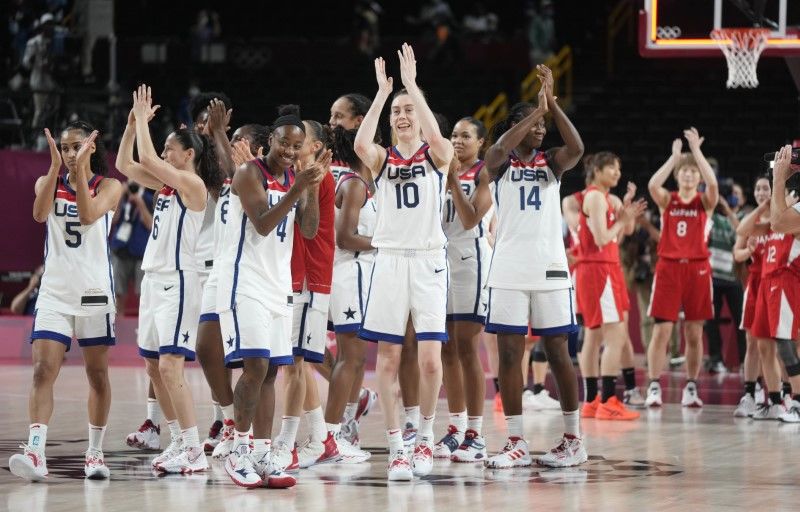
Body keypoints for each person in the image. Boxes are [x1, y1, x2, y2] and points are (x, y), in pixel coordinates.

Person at [354, 44, 453, 480]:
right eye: (398, 111)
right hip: (390, 261)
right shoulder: (382, 158)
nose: (403, 116)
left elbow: (437, 139)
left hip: (429, 262)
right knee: (388, 360)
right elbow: (361, 142)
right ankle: (396, 446)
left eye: (409, 110)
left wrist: (412, 86)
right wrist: (382, 95)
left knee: (431, 361)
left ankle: (425, 436)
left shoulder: (437, 154)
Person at [216, 106, 328, 488]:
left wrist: (310, 187)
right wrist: (297, 188)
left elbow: (310, 230)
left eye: (297, 146)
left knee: (272, 372)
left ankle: (263, 453)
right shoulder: (250, 174)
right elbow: (263, 224)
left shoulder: (297, 177)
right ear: (271, 141)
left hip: (278, 284)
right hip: (243, 281)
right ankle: (239, 451)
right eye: (285, 143)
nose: (290, 151)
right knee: (256, 367)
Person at [483, 64, 587, 469]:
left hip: (550, 269)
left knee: (559, 353)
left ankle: (573, 439)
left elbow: (576, 148)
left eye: (543, 127)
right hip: (508, 269)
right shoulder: (501, 164)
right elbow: (494, 152)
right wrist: (533, 113)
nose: (541, 131)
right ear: (517, 126)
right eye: (535, 126)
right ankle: (516, 441)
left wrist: (553, 106)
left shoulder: (552, 164)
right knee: (510, 356)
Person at [8, 122, 122, 481]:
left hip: (93, 293)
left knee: (97, 375)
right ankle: (36, 451)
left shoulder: (109, 186)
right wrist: (56, 168)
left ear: (91, 146)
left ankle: (94, 453)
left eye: (77, 147)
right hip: (55, 293)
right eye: (65, 148)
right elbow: (39, 215)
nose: (70, 153)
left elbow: (88, 216)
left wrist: (82, 172)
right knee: (43, 370)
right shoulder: (48, 182)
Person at [116, 85, 220, 474]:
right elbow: (127, 163)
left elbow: (145, 157)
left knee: (171, 366)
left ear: (188, 154)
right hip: (154, 277)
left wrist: (144, 121)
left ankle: (194, 450)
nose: (162, 155)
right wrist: (130, 125)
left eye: (169, 149)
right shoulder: (165, 182)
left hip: (178, 280)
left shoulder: (192, 186)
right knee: (153, 365)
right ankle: (178, 440)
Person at [644, 129, 718, 408]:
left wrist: (696, 153)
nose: (688, 175)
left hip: (698, 269)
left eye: (692, 172)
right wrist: (674, 158)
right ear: (678, 176)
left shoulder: (704, 202)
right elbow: (652, 185)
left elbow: (713, 186)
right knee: (661, 331)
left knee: (694, 334)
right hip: (669, 268)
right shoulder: (668, 200)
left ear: (698, 176)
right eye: (684, 172)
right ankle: (653, 385)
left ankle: (691, 386)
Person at [433, 116, 492, 461]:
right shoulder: (440, 170)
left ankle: (477, 434)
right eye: (454, 135)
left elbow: (470, 219)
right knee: (447, 350)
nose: (457, 140)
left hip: (471, 259)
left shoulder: (485, 171)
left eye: (465, 135)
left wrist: (452, 178)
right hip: (442, 262)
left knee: (468, 347)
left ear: (481, 142)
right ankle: (455, 429)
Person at [571, 152, 645, 421]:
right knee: (614, 336)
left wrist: (625, 211)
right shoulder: (594, 197)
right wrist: (622, 220)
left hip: (596, 269)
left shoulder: (602, 198)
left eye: (619, 168)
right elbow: (603, 238)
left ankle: (591, 400)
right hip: (600, 269)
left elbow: (625, 233)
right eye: (612, 168)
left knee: (593, 336)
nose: (617, 173)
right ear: (597, 170)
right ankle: (609, 400)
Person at [322, 125, 378, 453]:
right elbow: (345, 238)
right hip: (350, 269)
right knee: (350, 357)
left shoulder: (361, 180)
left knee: (350, 358)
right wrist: (389, 242)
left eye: (338, 116)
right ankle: (334, 430)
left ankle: (345, 425)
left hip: (346, 271)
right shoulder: (351, 182)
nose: (333, 123)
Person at [751, 145, 800, 422]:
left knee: (785, 344)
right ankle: (779, 399)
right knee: (771, 344)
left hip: (787, 280)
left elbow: (778, 223)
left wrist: (779, 177)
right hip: (773, 282)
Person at [732, 176, 770, 417]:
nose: (761, 191)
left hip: (778, 282)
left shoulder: (782, 217)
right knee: (752, 342)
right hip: (755, 283)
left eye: (765, 188)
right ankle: (750, 393)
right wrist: (749, 250)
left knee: (776, 345)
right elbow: (737, 253)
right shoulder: (751, 219)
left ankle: (781, 394)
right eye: (757, 188)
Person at [704, 188, 745, 374]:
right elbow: (704, 225)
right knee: (710, 321)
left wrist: (729, 211)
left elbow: (742, 234)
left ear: (742, 199)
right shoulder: (714, 217)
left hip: (734, 278)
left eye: (736, 193)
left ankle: (745, 361)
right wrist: (714, 203)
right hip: (713, 278)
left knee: (741, 321)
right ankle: (715, 359)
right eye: (730, 193)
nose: (731, 197)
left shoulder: (745, 217)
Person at [109, 181, 154, 315]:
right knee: (117, 292)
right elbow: (114, 219)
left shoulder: (149, 198)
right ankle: (117, 324)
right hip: (120, 250)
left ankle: (141, 326)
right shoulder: (120, 197)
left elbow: (151, 225)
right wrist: (121, 195)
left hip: (141, 252)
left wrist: (140, 203)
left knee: (143, 294)